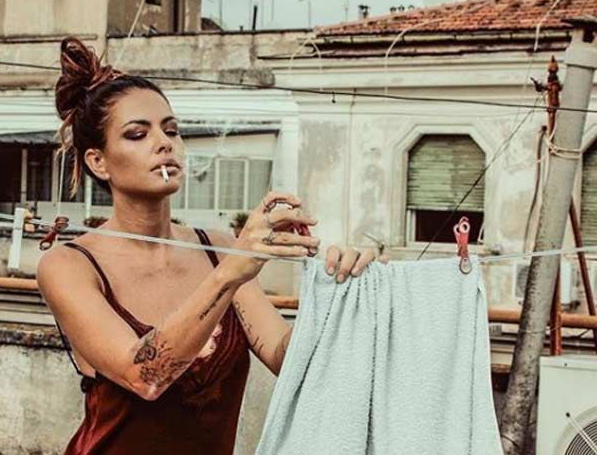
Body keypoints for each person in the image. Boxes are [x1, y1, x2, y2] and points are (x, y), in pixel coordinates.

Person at [37, 37, 376, 455]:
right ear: (98, 161)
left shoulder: (217, 248)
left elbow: (287, 361)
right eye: (138, 134)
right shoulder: (69, 265)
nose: (164, 143)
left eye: (171, 130)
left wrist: (342, 294)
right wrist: (230, 272)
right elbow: (145, 376)